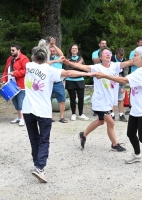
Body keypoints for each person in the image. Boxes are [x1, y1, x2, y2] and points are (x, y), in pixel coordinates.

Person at [22, 44, 94, 183]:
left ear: (33, 57)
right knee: (44, 139)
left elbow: (41, 63)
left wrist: (53, 61)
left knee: (34, 138)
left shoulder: (29, 66)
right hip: (43, 111)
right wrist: (87, 73)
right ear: (46, 57)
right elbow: (68, 73)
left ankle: (37, 163)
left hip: (27, 109)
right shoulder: (49, 70)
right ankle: (40, 167)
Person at [94, 46, 142, 174]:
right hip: (137, 108)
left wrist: (105, 75)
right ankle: (137, 155)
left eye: (135, 55)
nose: (133, 57)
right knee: (131, 133)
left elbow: (124, 80)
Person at [63, 47, 133, 152]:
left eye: (109, 53)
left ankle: (83, 135)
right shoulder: (97, 67)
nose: (108, 54)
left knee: (100, 121)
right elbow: (83, 67)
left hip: (109, 100)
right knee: (111, 122)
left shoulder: (115, 65)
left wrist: (141, 58)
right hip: (100, 101)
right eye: (105, 53)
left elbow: (128, 63)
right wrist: (70, 63)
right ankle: (115, 144)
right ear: (100, 57)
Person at [2, 44, 29, 126]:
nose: (11, 52)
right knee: (15, 102)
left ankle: (22, 118)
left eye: (13, 50)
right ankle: (19, 116)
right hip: (11, 83)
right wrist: (4, 79)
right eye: (11, 50)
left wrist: (15, 73)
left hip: (21, 84)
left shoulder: (24, 58)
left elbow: (26, 71)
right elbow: (6, 70)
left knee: (21, 102)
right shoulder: (9, 59)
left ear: (18, 50)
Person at [64, 44, 89, 121]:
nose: (74, 49)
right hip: (70, 81)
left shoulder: (81, 58)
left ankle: (81, 113)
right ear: (70, 50)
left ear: (78, 50)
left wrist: (74, 67)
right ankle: (73, 114)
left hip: (80, 80)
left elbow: (84, 69)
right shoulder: (67, 59)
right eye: (73, 48)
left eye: (76, 48)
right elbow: (67, 69)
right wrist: (78, 65)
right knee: (72, 98)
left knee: (81, 98)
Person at [48, 39, 68, 123]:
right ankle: (50, 117)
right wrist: (50, 44)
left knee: (62, 100)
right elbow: (45, 60)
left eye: (54, 51)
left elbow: (62, 54)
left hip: (58, 82)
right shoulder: (46, 59)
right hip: (48, 83)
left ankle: (61, 117)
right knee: (48, 100)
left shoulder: (59, 58)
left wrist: (54, 45)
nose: (53, 52)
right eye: (51, 51)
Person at [125, 38, 142, 115]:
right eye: (141, 42)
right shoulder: (133, 52)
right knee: (132, 90)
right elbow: (131, 62)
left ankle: (140, 106)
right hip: (135, 73)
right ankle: (130, 106)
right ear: (137, 43)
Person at [111, 47, 128, 122]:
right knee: (112, 99)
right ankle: (112, 114)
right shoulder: (111, 60)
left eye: (121, 56)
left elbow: (126, 75)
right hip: (111, 82)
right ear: (116, 55)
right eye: (119, 57)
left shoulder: (125, 61)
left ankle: (121, 114)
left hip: (120, 82)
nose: (120, 58)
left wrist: (123, 87)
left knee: (120, 99)